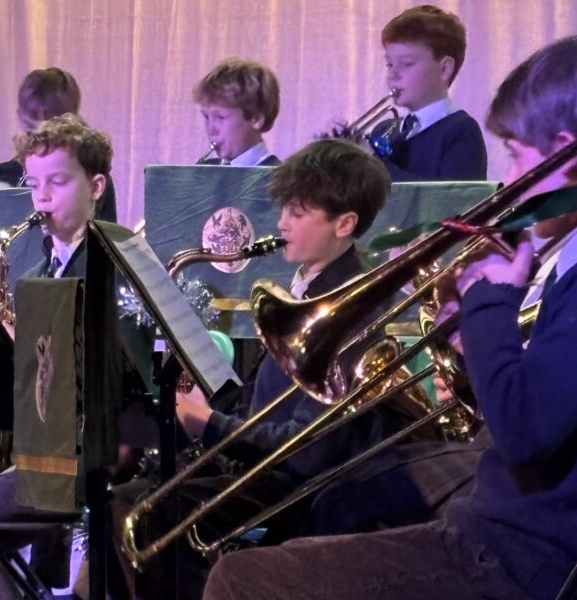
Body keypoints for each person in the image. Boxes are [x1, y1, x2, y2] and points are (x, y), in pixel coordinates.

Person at [200, 34, 577, 600]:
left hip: (525, 561)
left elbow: (523, 434)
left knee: (239, 579)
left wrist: (488, 304)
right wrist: (472, 347)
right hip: (516, 539)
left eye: (515, 153)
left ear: (576, 154)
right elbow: (548, 412)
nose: (508, 180)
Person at [110, 138, 416, 600]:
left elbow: (307, 451)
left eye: (298, 212)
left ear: (345, 223)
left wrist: (208, 423)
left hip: (308, 488)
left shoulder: (352, 306)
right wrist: (211, 394)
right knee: (131, 498)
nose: (280, 223)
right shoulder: (308, 285)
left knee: (148, 516)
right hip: (269, 468)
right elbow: (267, 402)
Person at [0, 113, 131, 600]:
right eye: (34, 183)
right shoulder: (45, 263)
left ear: (96, 186)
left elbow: (115, 366)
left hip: (94, 448)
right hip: (55, 442)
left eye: (58, 182)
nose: (41, 197)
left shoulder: (113, 264)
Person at [0, 67, 117, 222]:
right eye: (35, 115)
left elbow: (105, 241)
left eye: (52, 115)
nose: (44, 127)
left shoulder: (93, 180)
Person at [367, 4, 487, 181]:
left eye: (407, 63)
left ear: (444, 69)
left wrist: (373, 164)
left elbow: (449, 202)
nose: (393, 74)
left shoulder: (461, 131)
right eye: (390, 64)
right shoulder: (384, 130)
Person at [193, 58, 280, 166]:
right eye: (206, 117)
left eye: (220, 117)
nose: (211, 129)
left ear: (256, 119)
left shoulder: (280, 179)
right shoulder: (205, 172)